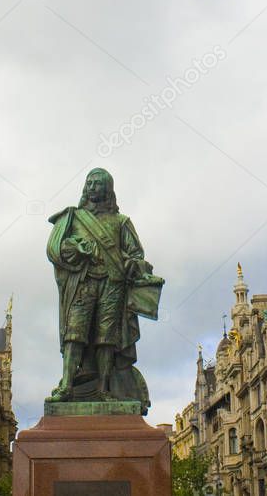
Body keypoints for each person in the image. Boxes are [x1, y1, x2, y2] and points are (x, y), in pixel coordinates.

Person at [46, 168, 163, 410]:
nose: (91, 187)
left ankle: (104, 389)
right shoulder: (72, 217)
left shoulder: (121, 222)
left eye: (97, 184)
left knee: (106, 338)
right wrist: (74, 247)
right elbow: (54, 249)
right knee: (74, 333)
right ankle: (67, 386)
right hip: (83, 282)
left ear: (107, 189)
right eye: (89, 183)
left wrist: (131, 264)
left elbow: (137, 255)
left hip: (113, 284)